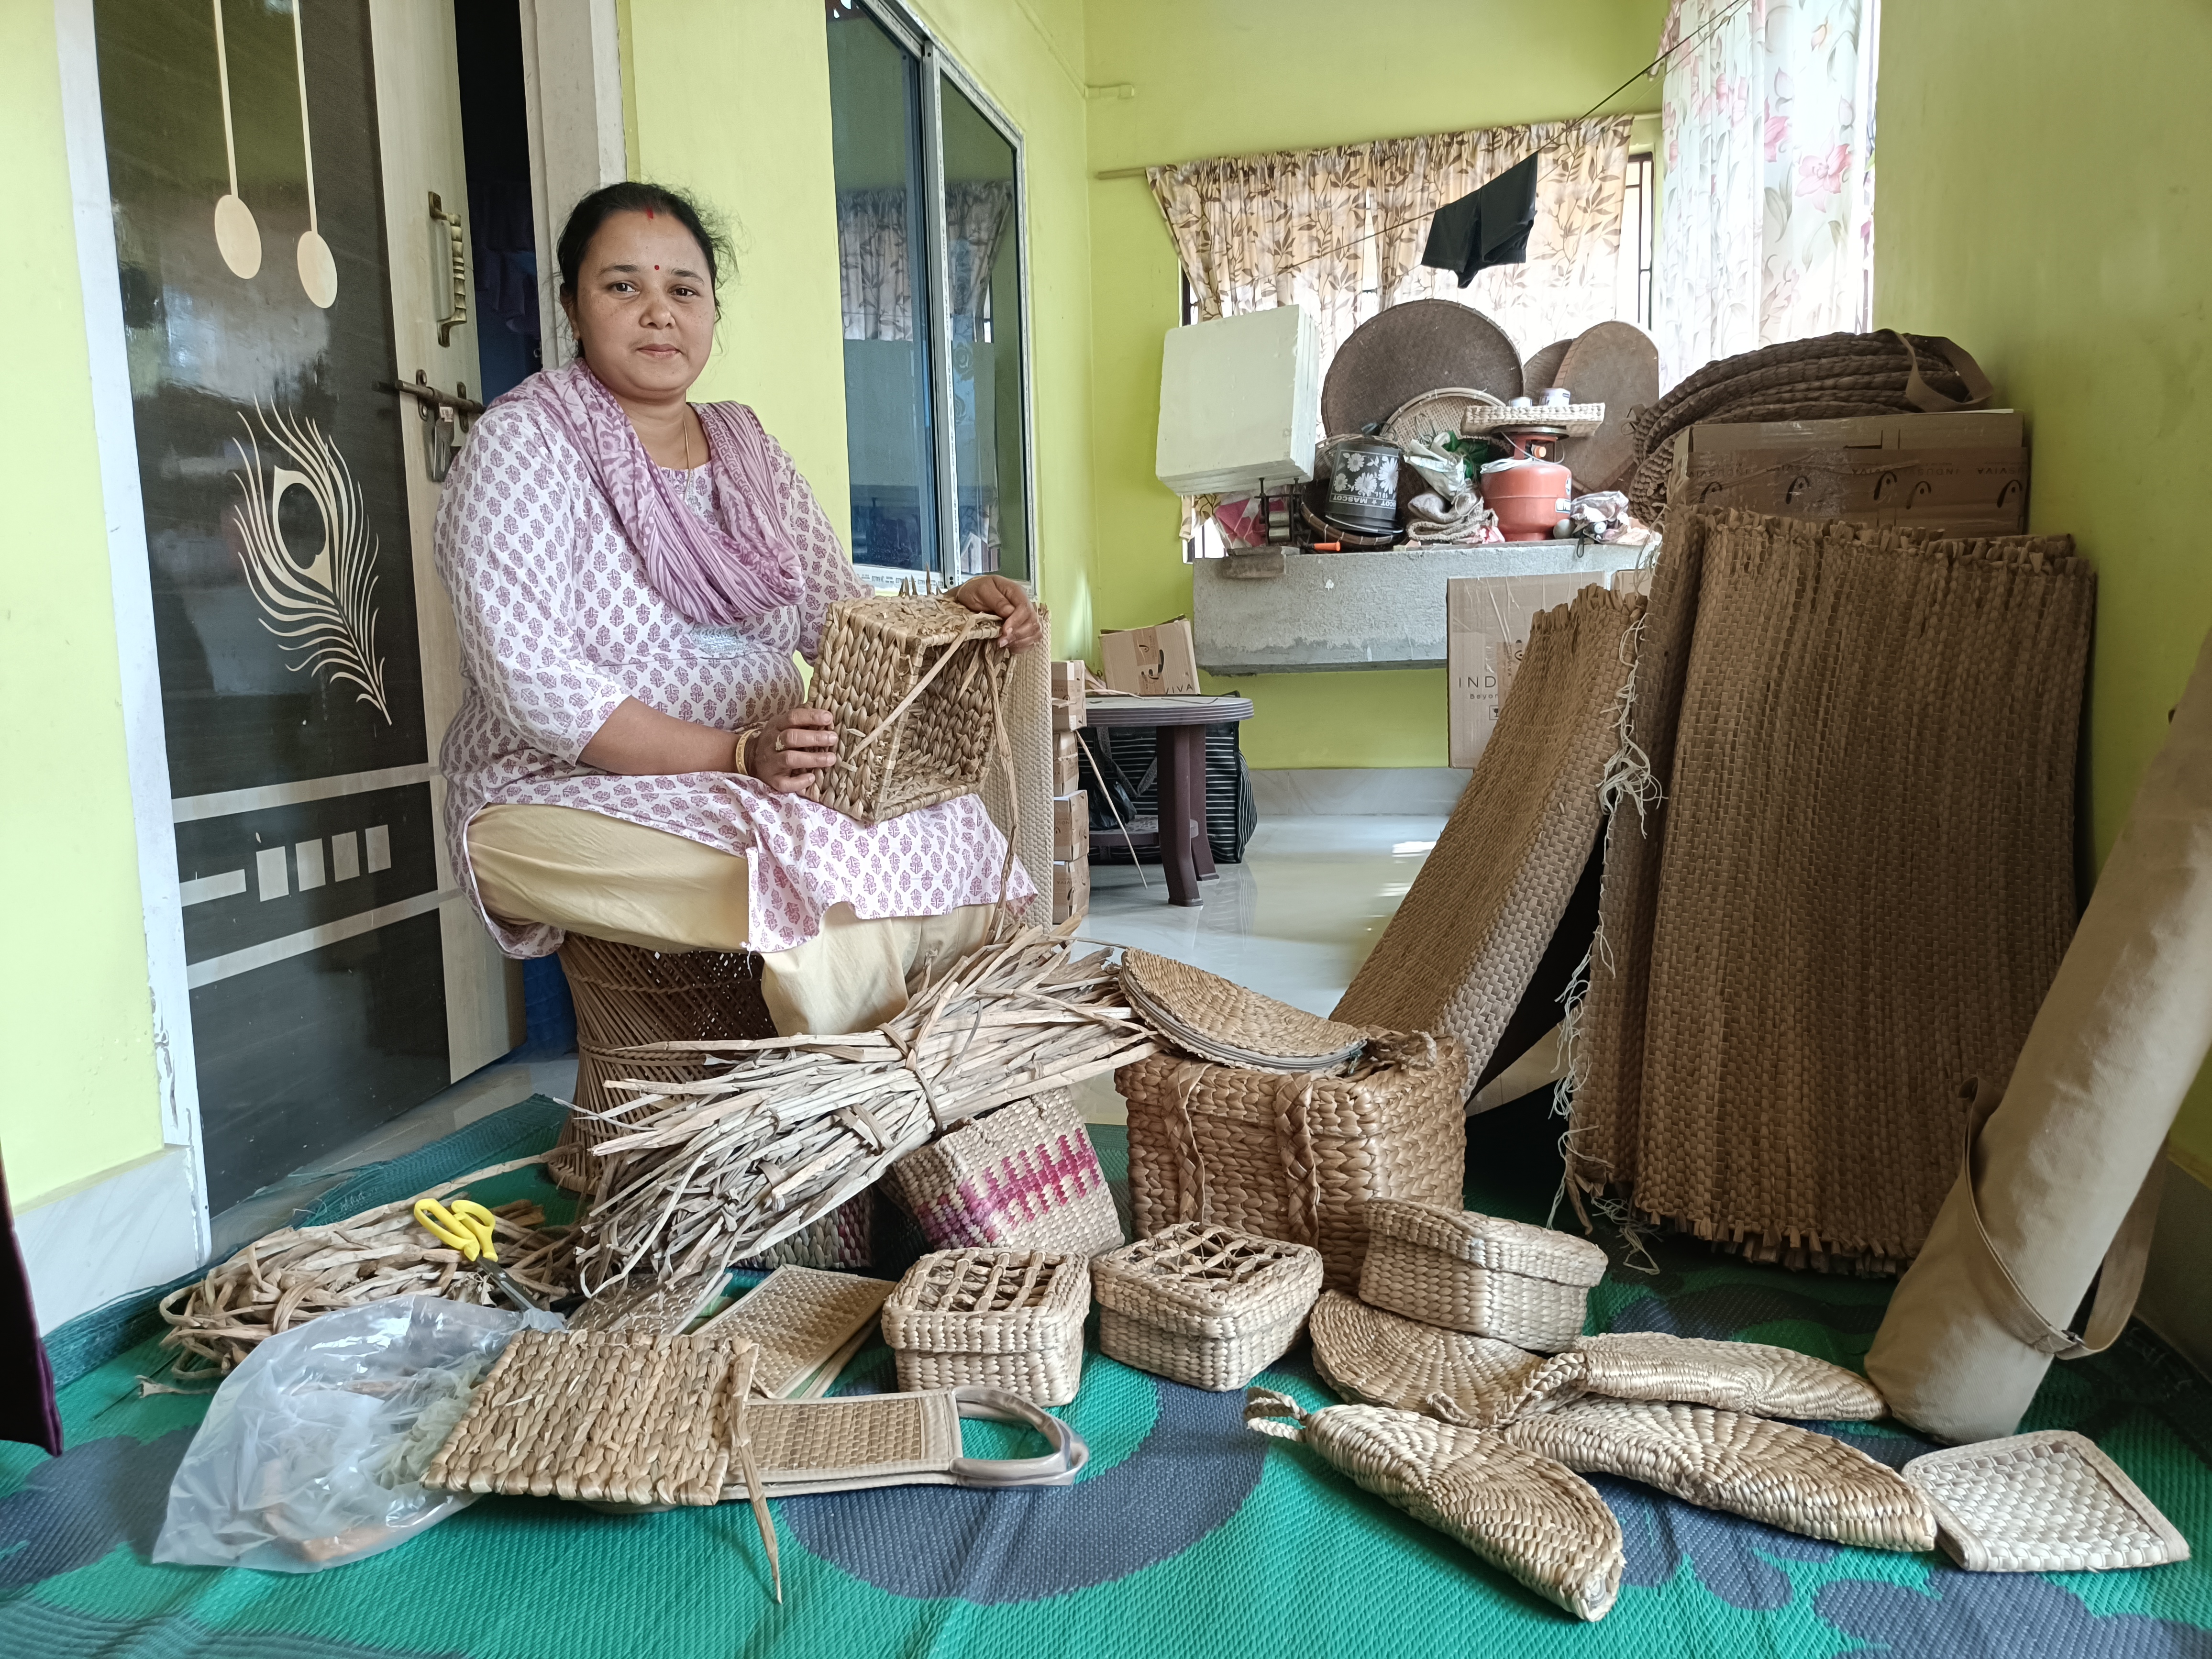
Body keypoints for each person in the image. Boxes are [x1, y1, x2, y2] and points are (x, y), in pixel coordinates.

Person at [433, 182, 1040, 1037]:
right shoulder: (525, 444)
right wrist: (738, 753)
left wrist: (948, 613)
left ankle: (964, 1102)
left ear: (712, 311)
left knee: (952, 827)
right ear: (572, 304)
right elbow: (535, 684)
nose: (657, 313)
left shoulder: (745, 451)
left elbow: (841, 620)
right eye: (622, 287)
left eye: (683, 289)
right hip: (550, 789)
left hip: (758, 774)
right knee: (827, 887)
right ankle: (852, 1137)